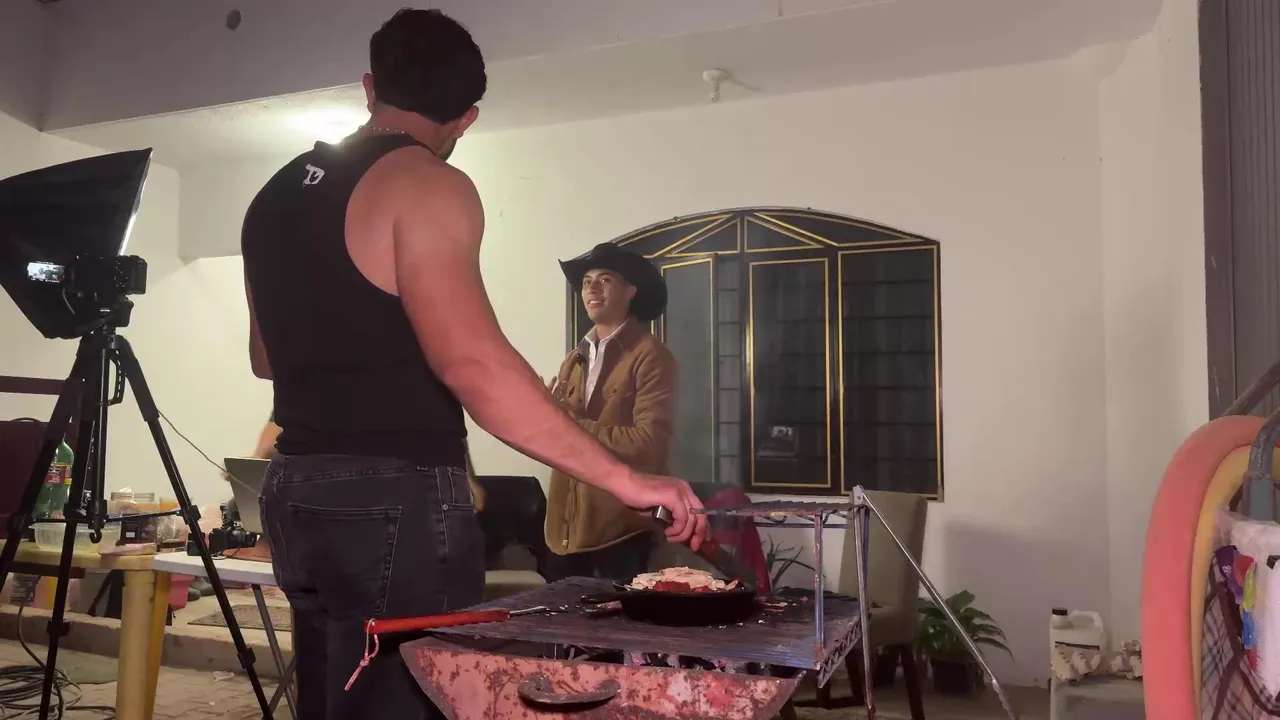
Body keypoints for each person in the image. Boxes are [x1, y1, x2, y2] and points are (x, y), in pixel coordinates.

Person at [238, 9, 708, 719]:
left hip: (293, 489)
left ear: (370, 87)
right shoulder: (428, 182)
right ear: (467, 117)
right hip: (393, 496)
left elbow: (265, 358)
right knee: (404, 704)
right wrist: (627, 479)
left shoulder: (272, 196)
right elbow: (476, 368)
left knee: (331, 702)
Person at [544, 243, 678, 581]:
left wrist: (573, 424)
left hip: (623, 531)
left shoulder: (651, 355)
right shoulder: (574, 358)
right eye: (586, 281)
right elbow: (558, 438)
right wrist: (546, 416)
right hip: (564, 533)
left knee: (620, 614)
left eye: (605, 280)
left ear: (631, 290)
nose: (592, 288)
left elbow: (651, 444)